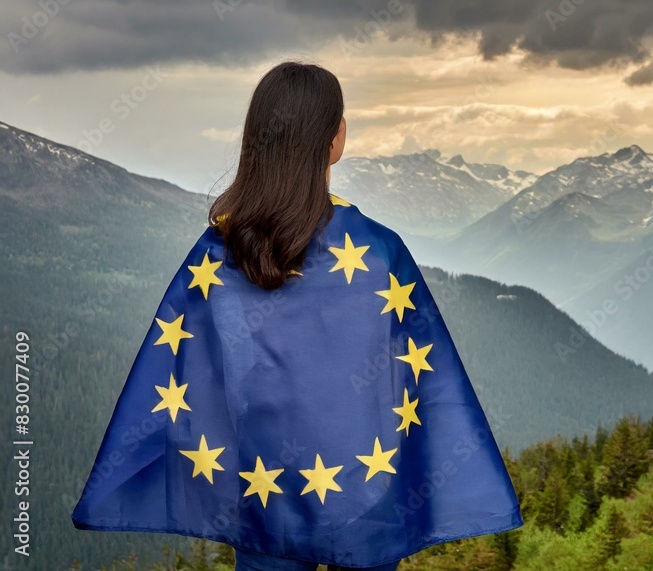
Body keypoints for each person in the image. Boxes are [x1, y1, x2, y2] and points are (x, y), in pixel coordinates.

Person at [71, 60, 523, 570]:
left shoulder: (218, 253)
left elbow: (185, 375)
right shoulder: (380, 253)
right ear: (334, 141)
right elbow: (423, 382)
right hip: (366, 502)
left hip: (261, 496)